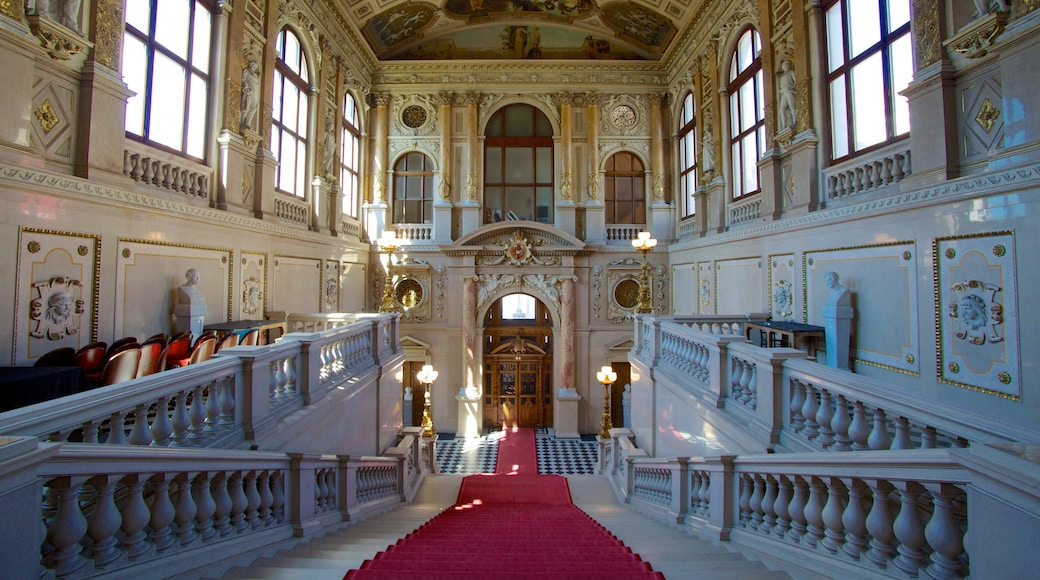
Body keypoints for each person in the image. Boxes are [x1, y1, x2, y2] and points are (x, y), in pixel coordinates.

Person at [240, 59, 260, 131]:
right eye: (253, 67)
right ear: (250, 65)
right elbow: (243, 79)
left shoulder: (255, 75)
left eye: (255, 67)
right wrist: (246, 86)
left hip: (255, 93)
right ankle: (242, 122)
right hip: (249, 91)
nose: (254, 68)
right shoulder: (246, 71)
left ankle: (247, 123)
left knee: (254, 108)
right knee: (246, 106)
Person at [777, 59, 796, 131]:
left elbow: (796, 82)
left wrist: (791, 88)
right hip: (784, 92)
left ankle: (795, 121)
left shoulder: (791, 72)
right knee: (782, 109)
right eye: (784, 65)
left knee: (792, 106)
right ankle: (784, 126)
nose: (785, 66)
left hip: (789, 91)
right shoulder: (781, 76)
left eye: (787, 64)